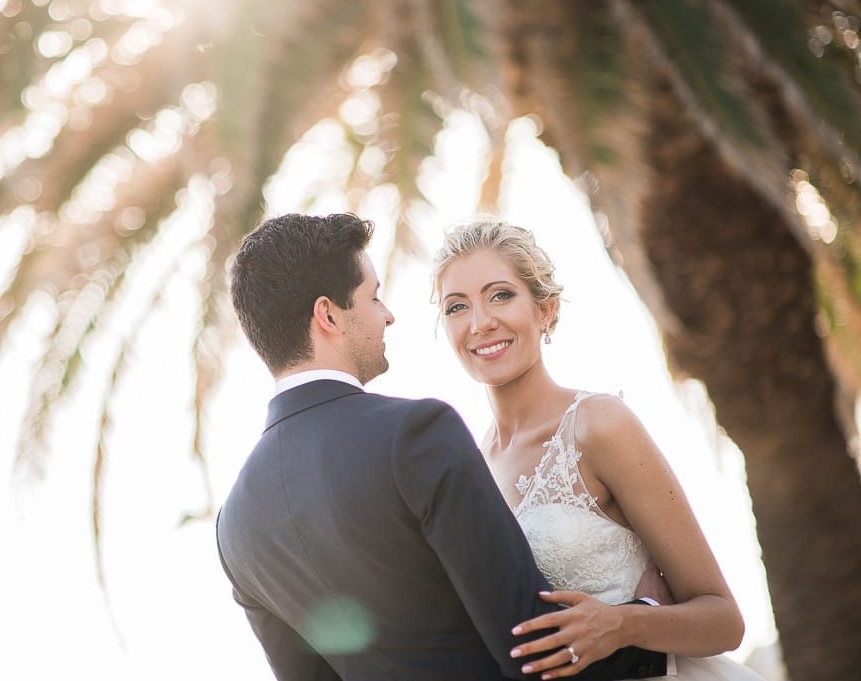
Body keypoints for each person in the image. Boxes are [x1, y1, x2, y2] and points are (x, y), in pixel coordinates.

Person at [216, 212, 668, 681]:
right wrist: (645, 622)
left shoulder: (234, 525)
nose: (387, 315)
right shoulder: (415, 434)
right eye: (373, 297)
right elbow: (533, 649)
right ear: (328, 315)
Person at [431, 219, 766, 680]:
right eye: (456, 306)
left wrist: (621, 624)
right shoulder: (474, 463)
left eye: (501, 295)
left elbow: (723, 621)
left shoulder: (597, 425)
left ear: (545, 310)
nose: (480, 322)